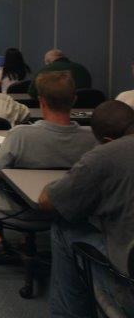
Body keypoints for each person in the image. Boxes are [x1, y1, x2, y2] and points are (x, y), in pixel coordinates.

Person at [0, 71, 97, 260]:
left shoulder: (20, 135)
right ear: (74, 100)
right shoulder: (92, 138)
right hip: (70, 208)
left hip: (20, 209)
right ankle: (27, 240)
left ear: (41, 101)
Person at [39, 100, 134, 317]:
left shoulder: (106, 154)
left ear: (107, 141)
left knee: (64, 228)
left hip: (129, 290)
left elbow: (49, 202)